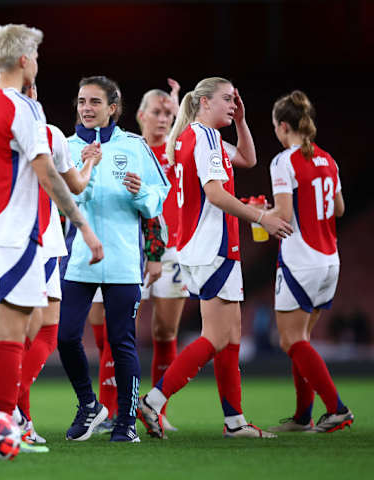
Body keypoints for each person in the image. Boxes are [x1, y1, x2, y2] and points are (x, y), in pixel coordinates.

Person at [0, 24, 103, 452]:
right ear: (24, 61)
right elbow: (51, 178)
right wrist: (84, 227)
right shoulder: (26, 110)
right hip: (17, 233)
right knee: (11, 336)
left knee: (21, 331)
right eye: (35, 56)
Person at [138, 77, 292, 439]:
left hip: (210, 246)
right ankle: (154, 400)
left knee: (231, 334)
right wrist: (262, 217)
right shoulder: (204, 139)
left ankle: (235, 421)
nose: (232, 104)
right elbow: (216, 195)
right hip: (212, 246)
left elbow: (249, 159)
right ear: (205, 102)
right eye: (227, 99)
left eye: (234, 100)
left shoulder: (203, 137)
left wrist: (240, 121)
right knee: (216, 335)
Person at [57, 76, 170, 443]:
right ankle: (89, 404)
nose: (86, 108)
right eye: (81, 101)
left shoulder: (135, 146)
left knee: (122, 342)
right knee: (66, 337)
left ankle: (126, 423)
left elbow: (159, 193)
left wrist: (141, 195)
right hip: (78, 258)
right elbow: (63, 200)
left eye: (94, 102)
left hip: (122, 260)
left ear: (113, 108)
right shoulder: (65, 146)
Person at [266, 90, 353, 433]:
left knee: (290, 341)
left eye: (275, 126)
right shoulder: (328, 159)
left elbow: (284, 215)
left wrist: (260, 214)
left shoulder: (283, 161)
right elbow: (341, 209)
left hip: (301, 260)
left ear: (283, 126)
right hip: (329, 259)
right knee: (301, 339)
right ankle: (303, 416)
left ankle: (337, 409)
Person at [14, 82, 97, 445]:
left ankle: (20, 418)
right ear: (34, 92)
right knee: (45, 333)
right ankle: (11, 410)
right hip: (42, 242)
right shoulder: (49, 133)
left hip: (4, 242)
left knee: (21, 336)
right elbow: (75, 186)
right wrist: (90, 162)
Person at [135, 82, 190, 432]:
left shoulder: (179, 152)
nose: (163, 118)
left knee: (166, 331)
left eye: (169, 113)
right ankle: (114, 408)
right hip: (132, 250)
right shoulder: (129, 150)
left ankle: (158, 409)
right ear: (141, 115)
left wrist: (182, 108)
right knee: (118, 331)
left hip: (172, 251)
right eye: (157, 111)